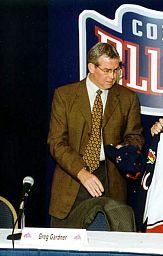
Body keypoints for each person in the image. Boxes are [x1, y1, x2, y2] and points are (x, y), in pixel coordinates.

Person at [48, 42, 144, 228]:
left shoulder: (128, 98)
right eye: (107, 70)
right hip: (72, 179)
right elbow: (56, 142)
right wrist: (81, 172)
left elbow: (135, 136)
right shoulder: (64, 96)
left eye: (116, 70)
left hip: (111, 181)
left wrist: (125, 149)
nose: (112, 76)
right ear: (91, 67)